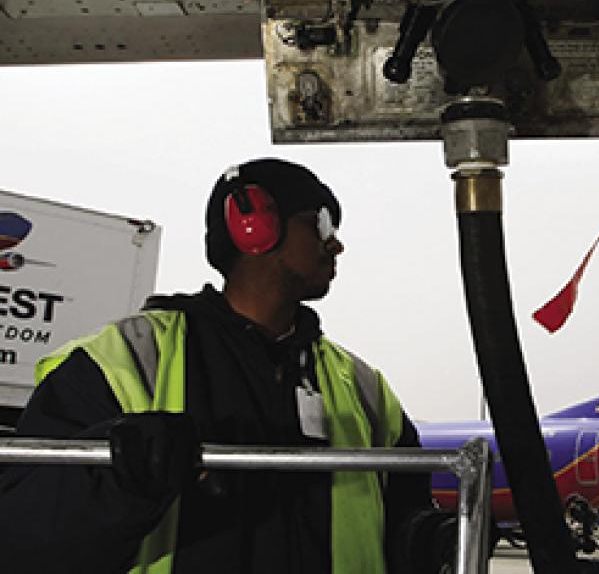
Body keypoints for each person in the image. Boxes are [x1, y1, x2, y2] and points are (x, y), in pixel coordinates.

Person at [0, 157, 431, 573]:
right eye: (320, 223)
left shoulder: (363, 389)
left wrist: (434, 538)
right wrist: (117, 480)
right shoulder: (121, 361)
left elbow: (406, 520)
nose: (336, 244)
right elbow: (21, 535)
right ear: (256, 225)